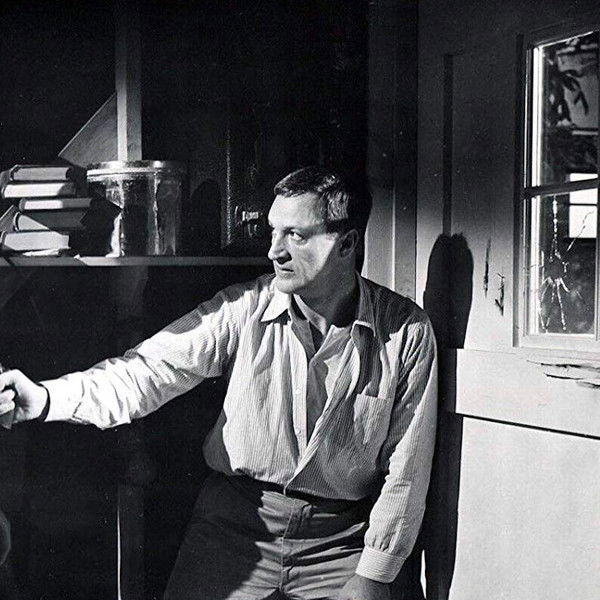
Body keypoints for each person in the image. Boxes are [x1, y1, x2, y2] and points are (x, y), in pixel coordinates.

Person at [0, 166, 437, 600]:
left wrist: (373, 576)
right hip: (236, 527)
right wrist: (44, 399)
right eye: (273, 231)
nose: (274, 251)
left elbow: (407, 470)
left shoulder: (406, 332)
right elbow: (146, 372)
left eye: (295, 236)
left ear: (346, 243)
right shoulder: (242, 308)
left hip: (342, 541)